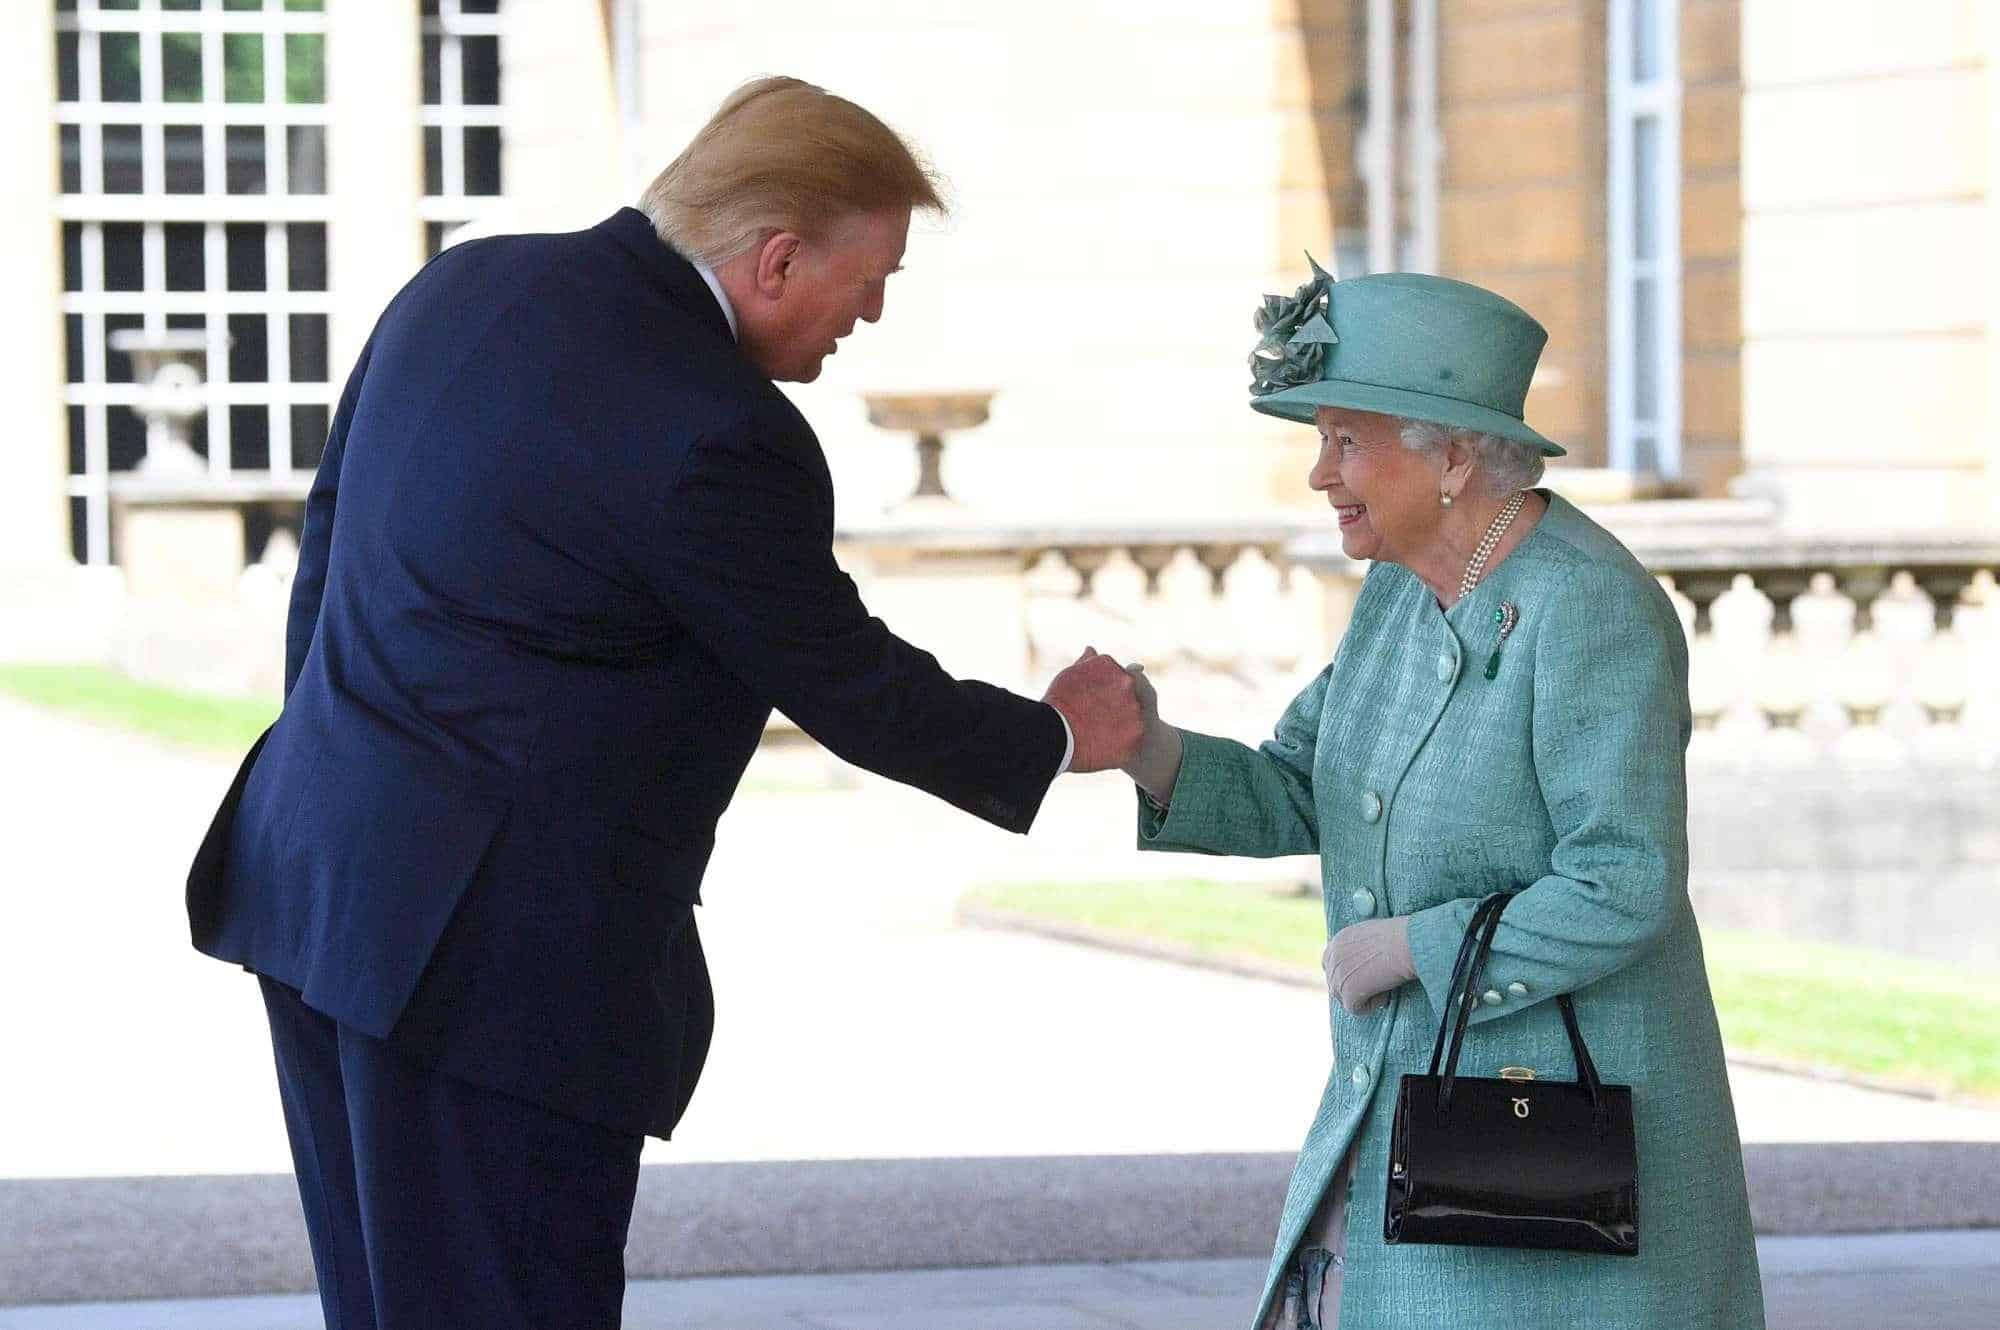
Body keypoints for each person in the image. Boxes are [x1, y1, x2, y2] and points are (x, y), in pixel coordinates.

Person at [184, 76, 1143, 1330]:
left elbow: (327, 552)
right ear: (779, 256)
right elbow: (844, 678)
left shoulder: (460, 286)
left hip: (317, 883)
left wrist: (351, 754)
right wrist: (1062, 733)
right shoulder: (719, 430)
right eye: (875, 275)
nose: (873, 311)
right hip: (492, 969)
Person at [1118, 263, 1765, 1329]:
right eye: (1317, 440)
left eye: (1343, 440)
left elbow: (1623, 881)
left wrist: (1412, 945)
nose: (1320, 475)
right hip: (1413, 1120)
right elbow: (1299, 784)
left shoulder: (1588, 610)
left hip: (1551, 1142)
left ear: (1453, 455)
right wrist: (1146, 749)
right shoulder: (1397, 594)